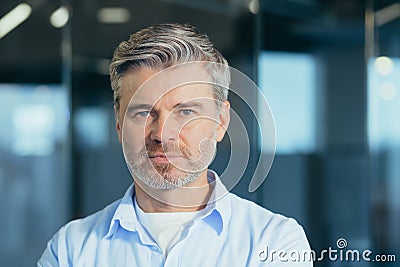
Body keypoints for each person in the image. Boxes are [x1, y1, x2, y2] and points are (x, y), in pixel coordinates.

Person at [38, 23, 312, 266]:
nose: (162, 134)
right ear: (119, 124)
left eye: (185, 112)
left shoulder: (275, 242)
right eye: (143, 112)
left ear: (221, 121)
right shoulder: (70, 250)